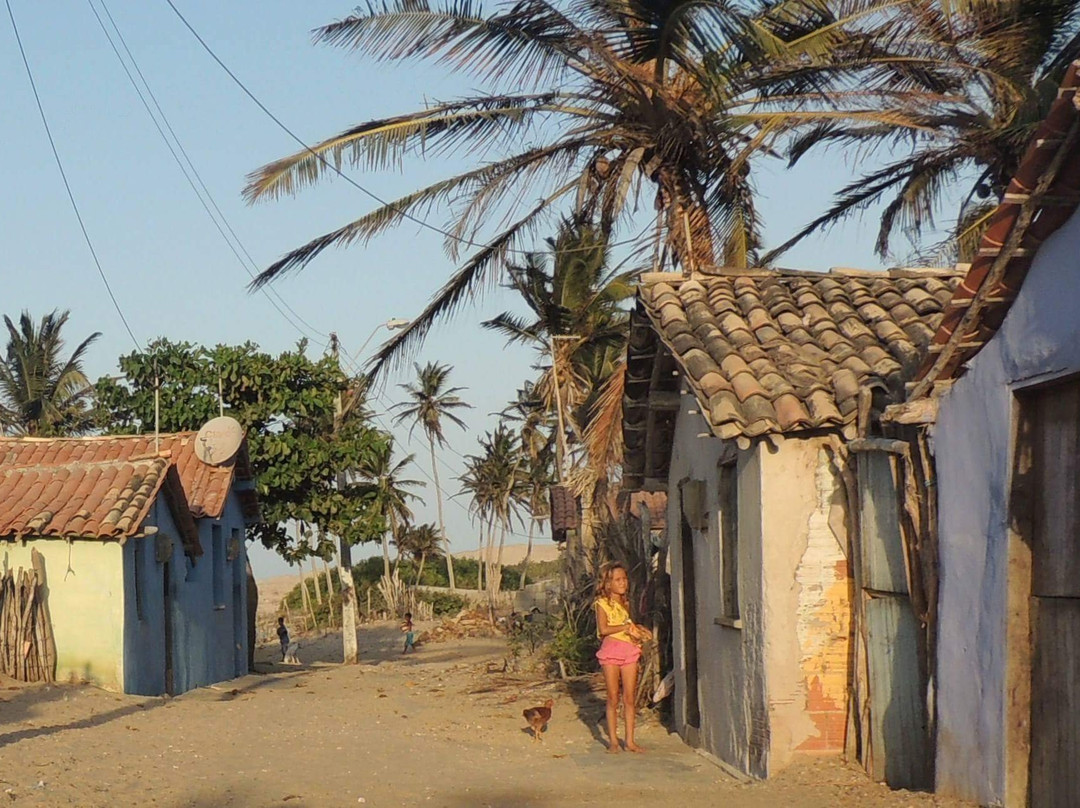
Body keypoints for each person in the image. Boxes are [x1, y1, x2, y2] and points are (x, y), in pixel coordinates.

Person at [595, 562, 652, 753]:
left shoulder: (626, 603)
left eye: (624, 579)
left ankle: (630, 741)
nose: (623, 583)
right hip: (611, 653)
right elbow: (603, 629)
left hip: (629, 651)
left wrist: (639, 629)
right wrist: (625, 628)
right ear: (607, 583)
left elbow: (628, 624)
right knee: (612, 697)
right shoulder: (601, 604)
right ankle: (613, 740)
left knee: (629, 697)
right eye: (618, 580)